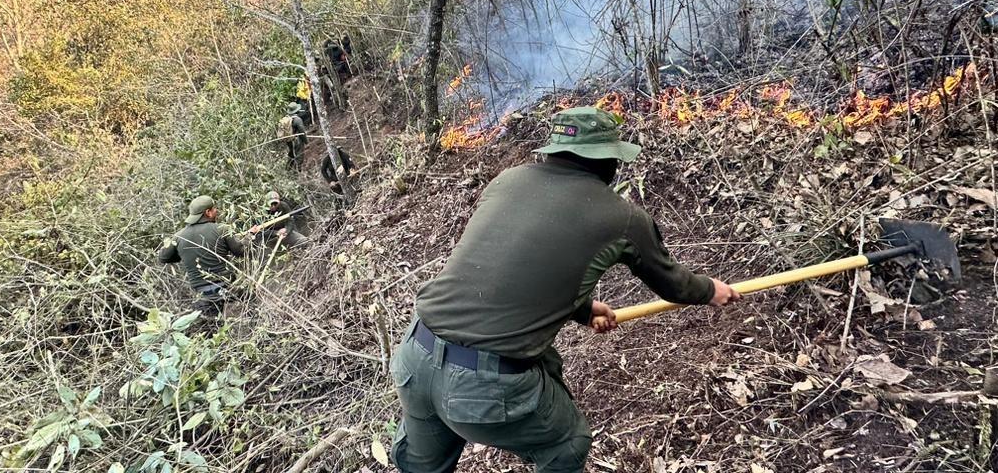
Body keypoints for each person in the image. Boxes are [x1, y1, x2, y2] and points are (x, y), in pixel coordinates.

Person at [388, 107, 740, 473]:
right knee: (567, 444)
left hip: (415, 357)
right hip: (481, 387)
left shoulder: (507, 180)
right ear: (607, 161)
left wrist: (585, 310)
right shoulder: (622, 217)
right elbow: (674, 284)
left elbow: (513, 270)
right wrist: (710, 290)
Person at [156, 195, 248, 319]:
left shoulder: (179, 236)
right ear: (208, 212)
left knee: (211, 328)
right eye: (214, 209)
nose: (217, 211)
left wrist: (181, 255)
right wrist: (248, 239)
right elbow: (241, 252)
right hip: (227, 287)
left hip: (202, 292)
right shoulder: (222, 229)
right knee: (252, 301)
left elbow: (163, 257)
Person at [277, 103, 308, 170]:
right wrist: (306, 141)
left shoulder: (287, 118)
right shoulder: (297, 120)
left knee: (292, 153)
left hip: (289, 140)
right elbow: (302, 131)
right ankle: (297, 170)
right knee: (299, 155)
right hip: (296, 140)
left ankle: (288, 169)